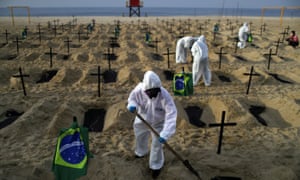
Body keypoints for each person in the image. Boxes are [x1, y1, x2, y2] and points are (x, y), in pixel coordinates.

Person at [127, 70, 177, 179]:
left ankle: (156, 166)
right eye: (151, 91)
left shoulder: (164, 95)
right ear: (146, 90)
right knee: (140, 136)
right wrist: (132, 105)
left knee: (156, 144)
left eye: (156, 90)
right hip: (142, 119)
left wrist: (165, 133)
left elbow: (171, 115)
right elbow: (132, 99)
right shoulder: (139, 90)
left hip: (159, 122)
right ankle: (141, 152)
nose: (155, 93)